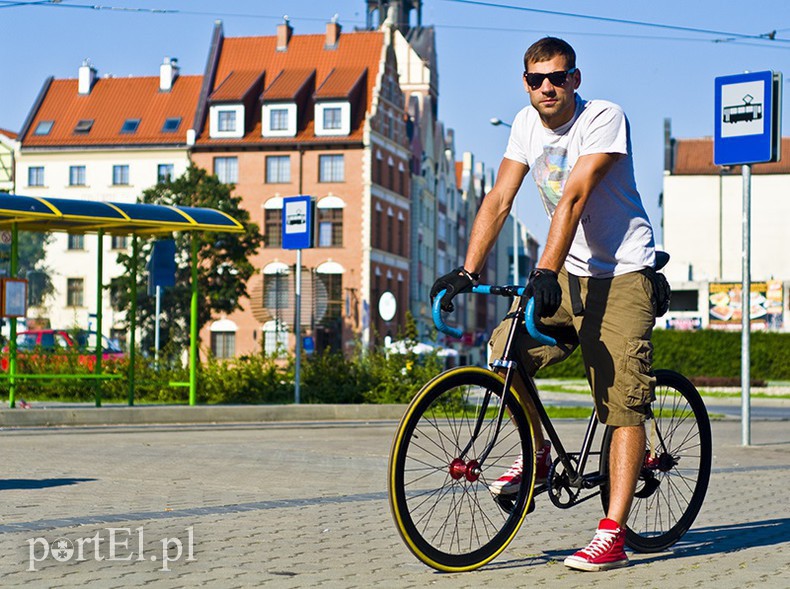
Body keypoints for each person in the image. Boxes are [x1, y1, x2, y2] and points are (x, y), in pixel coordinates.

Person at [430, 36, 657, 572]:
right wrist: (468, 270)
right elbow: (499, 198)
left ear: (575, 79)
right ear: (525, 83)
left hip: (620, 274)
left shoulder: (604, 117)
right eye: (536, 79)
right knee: (503, 346)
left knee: (621, 400)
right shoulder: (525, 124)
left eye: (558, 77)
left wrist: (543, 272)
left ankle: (612, 533)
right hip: (569, 275)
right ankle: (538, 454)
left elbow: (574, 196)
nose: (547, 87)